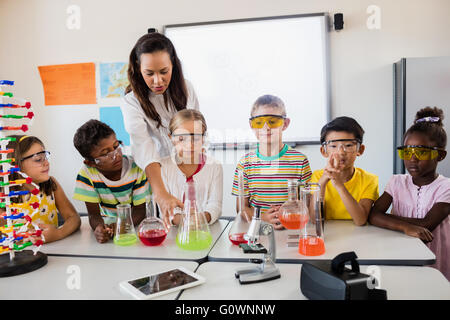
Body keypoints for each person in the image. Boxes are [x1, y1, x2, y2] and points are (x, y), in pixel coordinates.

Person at [121, 32, 199, 226]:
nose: (158, 81)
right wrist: (161, 193)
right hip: (157, 175)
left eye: (164, 71)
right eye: (149, 73)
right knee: (165, 225)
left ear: (173, 64)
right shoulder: (132, 102)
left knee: (195, 221)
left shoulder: (186, 88)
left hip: (189, 166)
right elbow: (144, 146)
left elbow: (195, 130)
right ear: (139, 69)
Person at [369, 107, 449, 280]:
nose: (412, 158)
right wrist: (407, 227)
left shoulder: (446, 187)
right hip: (400, 252)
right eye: (407, 151)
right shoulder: (397, 182)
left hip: (434, 256)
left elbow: (427, 224)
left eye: (420, 152)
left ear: (440, 155)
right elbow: (373, 215)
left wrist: (387, 219)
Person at [231, 95, 312, 230]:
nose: (266, 127)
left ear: (285, 124)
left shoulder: (300, 161)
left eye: (273, 121)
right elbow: (241, 207)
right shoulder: (244, 164)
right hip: (258, 230)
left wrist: (289, 215)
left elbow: (307, 204)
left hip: (293, 229)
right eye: (259, 122)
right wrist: (263, 218)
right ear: (251, 125)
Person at [73, 120, 150, 243]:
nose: (116, 155)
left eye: (116, 146)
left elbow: (140, 211)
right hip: (107, 225)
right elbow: (93, 214)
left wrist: (122, 226)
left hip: (133, 227)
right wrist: (99, 228)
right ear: (91, 163)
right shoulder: (86, 175)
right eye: (106, 154)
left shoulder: (136, 169)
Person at [3, 135, 81, 243]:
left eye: (45, 157)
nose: (46, 163)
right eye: (38, 159)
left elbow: (74, 218)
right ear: (16, 165)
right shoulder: (5, 197)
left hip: (57, 252)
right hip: (22, 257)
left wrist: (58, 233)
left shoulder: (50, 185)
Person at [311, 116, 379, 226]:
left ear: (360, 150)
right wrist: (322, 182)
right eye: (333, 146)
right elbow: (314, 220)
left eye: (348, 145)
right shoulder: (317, 177)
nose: (341, 152)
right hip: (328, 236)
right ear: (324, 151)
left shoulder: (370, 179)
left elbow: (360, 220)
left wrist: (338, 184)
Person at [160, 109, 222, 225]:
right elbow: (164, 207)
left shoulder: (214, 166)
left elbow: (215, 205)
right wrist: (185, 221)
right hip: (173, 233)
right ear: (171, 138)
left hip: (204, 230)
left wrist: (202, 218)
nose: (190, 144)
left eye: (196, 138)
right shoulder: (163, 167)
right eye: (182, 138)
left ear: (204, 137)